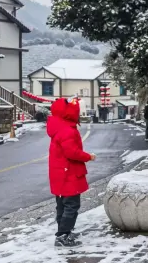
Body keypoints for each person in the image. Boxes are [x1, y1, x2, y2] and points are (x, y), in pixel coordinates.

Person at [47, 97, 96, 247]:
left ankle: (64, 232)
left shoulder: (59, 126)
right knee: (71, 206)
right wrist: (88, 156)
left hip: (60, 173)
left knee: (62, 205)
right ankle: (62, 236)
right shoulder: (67, 130)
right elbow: (71, 152)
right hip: (69, 174)